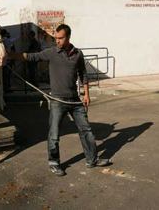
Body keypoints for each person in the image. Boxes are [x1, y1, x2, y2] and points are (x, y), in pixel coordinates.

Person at [12, 24, 110, 176]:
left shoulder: (78, 54)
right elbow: (32, 57)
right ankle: (54, 162)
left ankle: (92, 160)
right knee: (54, 134)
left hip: (75, 101)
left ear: (68, 37)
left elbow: (83, 74)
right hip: (57, 100)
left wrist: (86, 94)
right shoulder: (52, 52)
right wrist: (10, 55)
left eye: (60, 38)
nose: (57, 41)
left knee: (87, 131)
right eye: (56, 38)